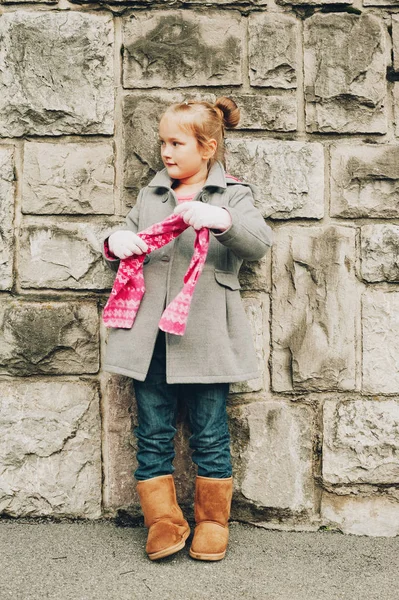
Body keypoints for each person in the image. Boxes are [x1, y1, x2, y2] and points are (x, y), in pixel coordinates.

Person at [102, 97, 272, 562]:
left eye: (177, 143)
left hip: (205, 338)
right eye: (163, 142)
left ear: (208, 147)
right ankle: (162, 521)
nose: (166, 152)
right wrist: (115, 241)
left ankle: (213, 522)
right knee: (152, 432)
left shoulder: (233, 193)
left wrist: (223, 221)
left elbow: (258, 244)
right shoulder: (152, 195)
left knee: (210, 432)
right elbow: (129, 233)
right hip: (148, 338)